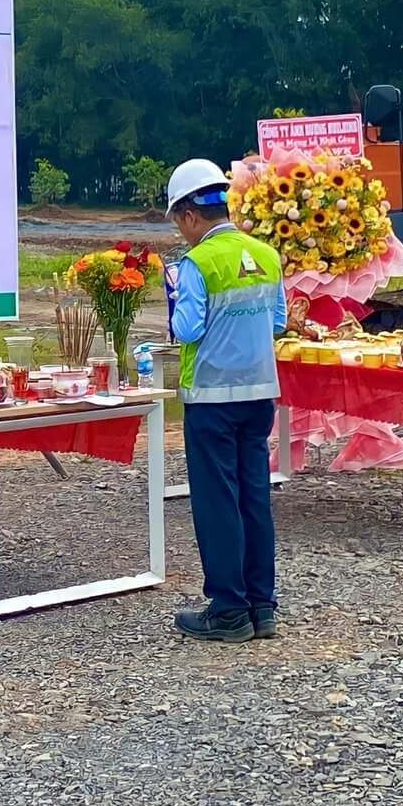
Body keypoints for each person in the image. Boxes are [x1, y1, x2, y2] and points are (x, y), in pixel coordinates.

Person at [163, 157, 285, 642]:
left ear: (191, 215)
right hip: (260, 394)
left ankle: (229, 609)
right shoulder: (266, 255)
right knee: (254, 497)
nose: (181, 233)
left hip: (213, 397)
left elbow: (188, 328)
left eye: (178, 223)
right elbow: (277, 322)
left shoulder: (197, 263)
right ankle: (261, 604)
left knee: (218, 501)